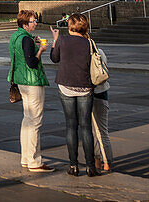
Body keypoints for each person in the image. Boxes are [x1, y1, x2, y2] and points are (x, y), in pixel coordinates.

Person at [50, 13, 100, 177]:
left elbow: (54, 58)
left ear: (70, 25)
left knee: (71, 125)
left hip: (66, 86)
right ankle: (91, 167)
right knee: (86, 127)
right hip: (85, 87)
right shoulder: (89, 42)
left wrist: (54, 42)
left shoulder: (63, 40)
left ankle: (73, 166)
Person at [7, 10, 53, 173]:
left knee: (27, 120)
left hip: (20, 81)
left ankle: (26, 158)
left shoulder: (16, 36)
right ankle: (34, 161)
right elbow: (32, 62)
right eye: (33, 21)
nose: (35, 23)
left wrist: (33, 43)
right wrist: (41, 49)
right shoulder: (26, 39)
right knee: (35, 122)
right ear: (25, 24)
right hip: (32, 82)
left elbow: (20, 54)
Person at [91, 43, 113, 173]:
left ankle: (99, 160)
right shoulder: (99, 51)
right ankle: (106, 161)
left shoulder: (82, 52)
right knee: (101, 131)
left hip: (88, 94)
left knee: (94, 131)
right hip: (101, 93)